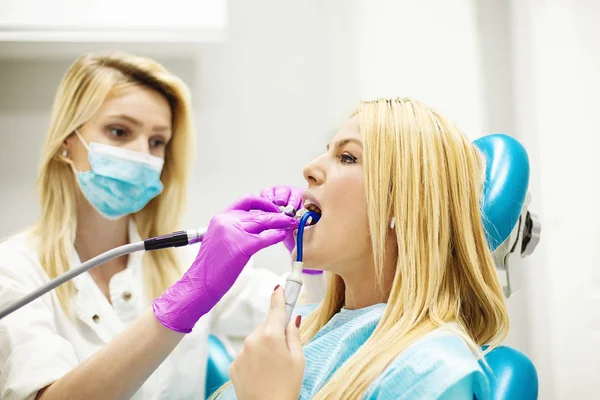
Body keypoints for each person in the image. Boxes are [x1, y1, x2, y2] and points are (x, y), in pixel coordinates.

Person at [0, 52, 305, 400]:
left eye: (157, 141)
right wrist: (180, 305)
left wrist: (307, 256)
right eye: (119, 131)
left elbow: (301, 315)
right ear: (67, 141)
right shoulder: (13, 271)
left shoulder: (184, 261)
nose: (142, 154)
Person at [214, 97, 510, 399]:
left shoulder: (430, 370)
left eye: (347, 157)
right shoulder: (299, 330)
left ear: (403, 205)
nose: (309, 169)